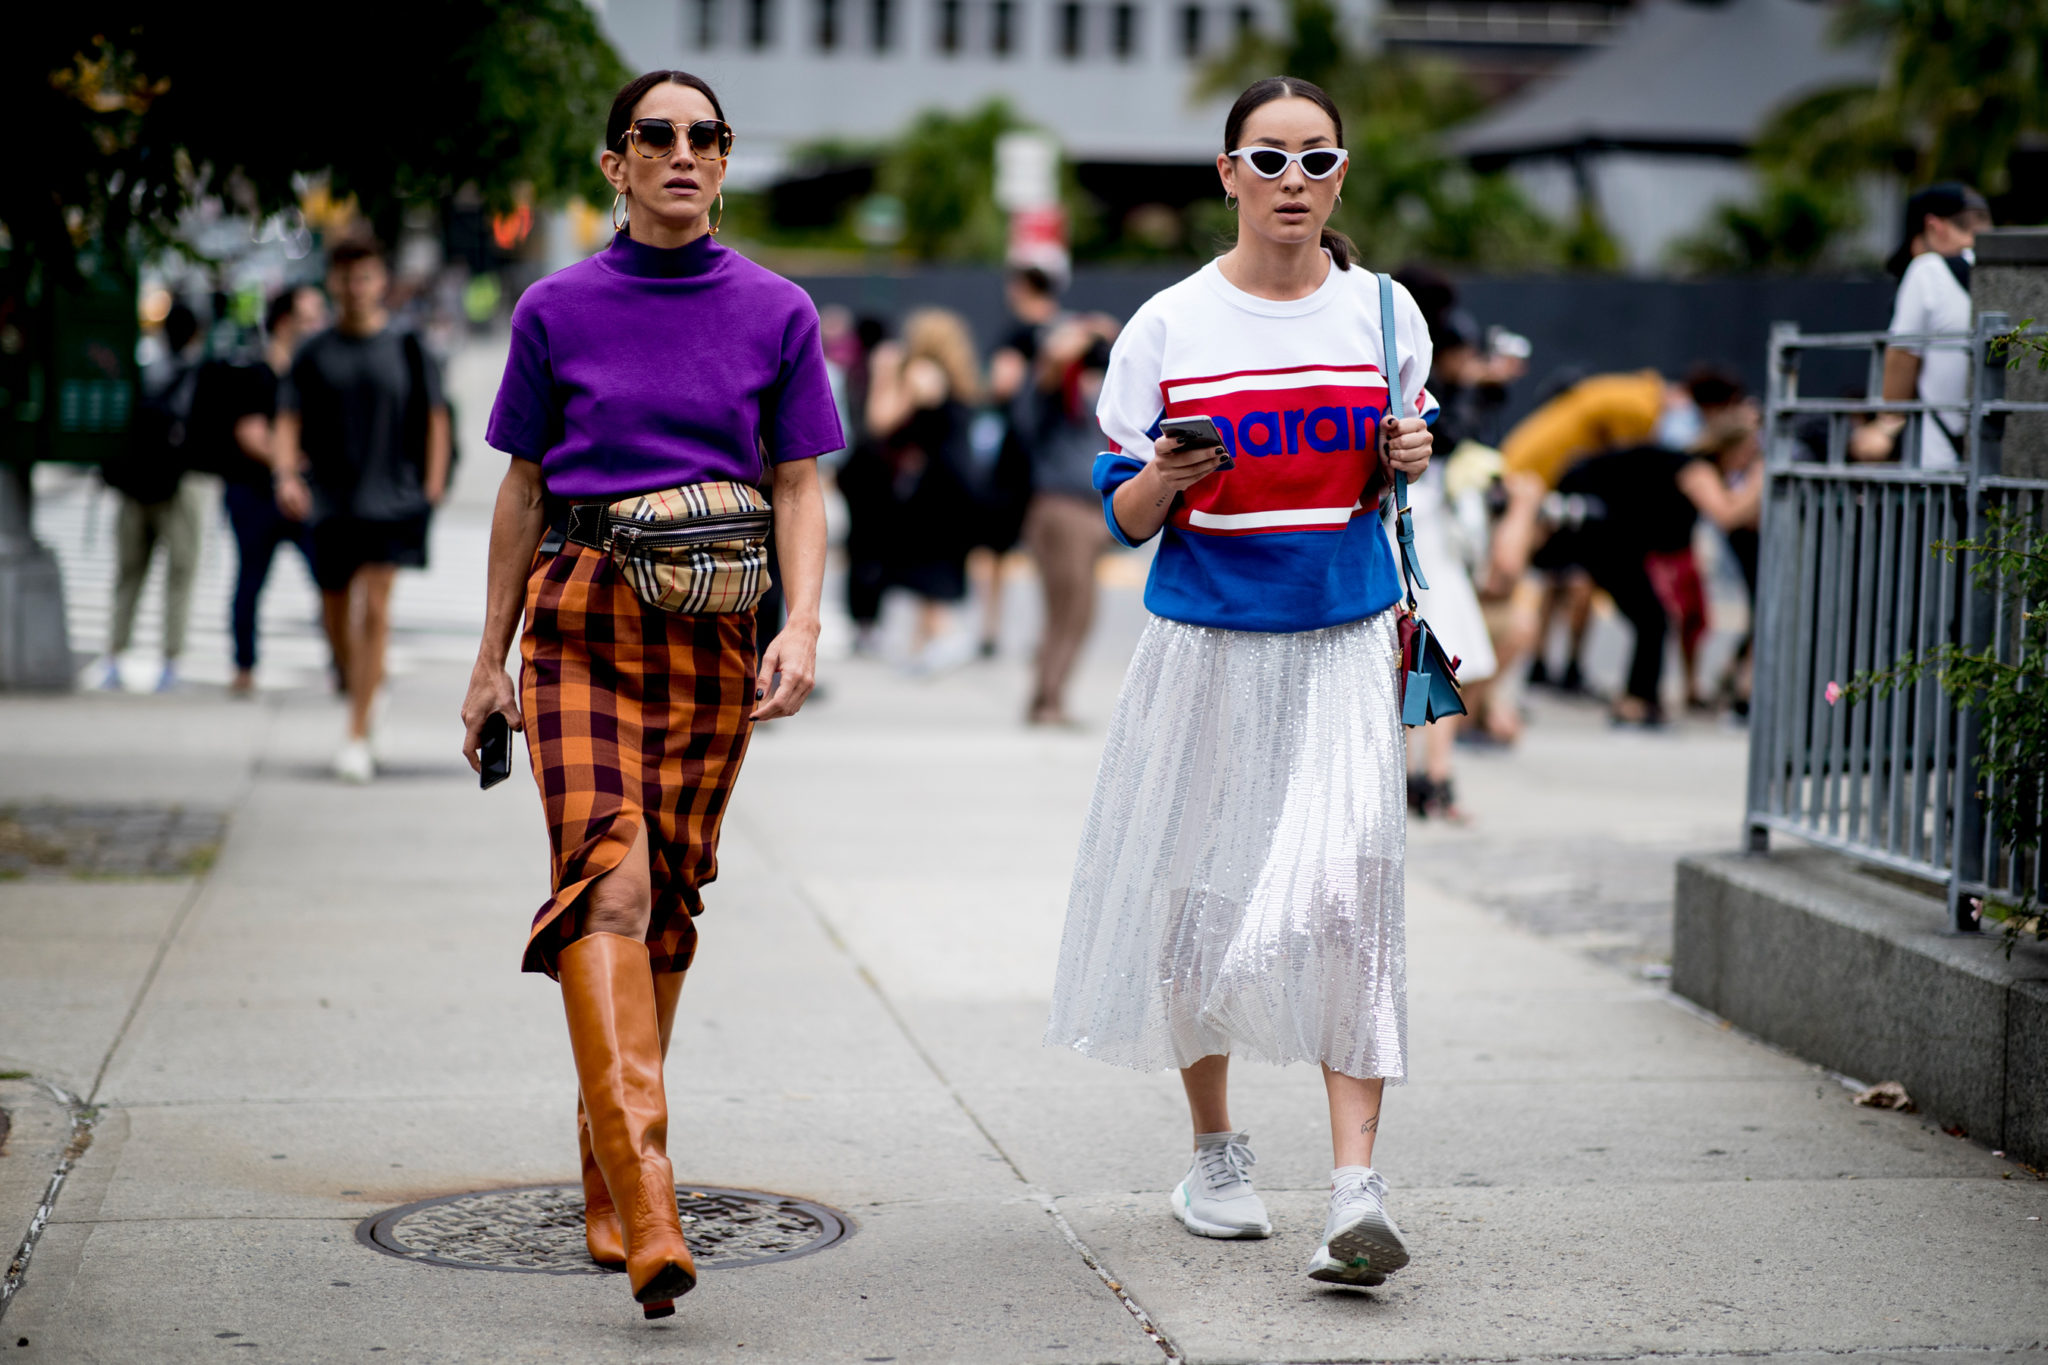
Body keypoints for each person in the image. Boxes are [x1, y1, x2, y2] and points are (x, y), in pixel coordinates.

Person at [458, 69, 838, 1321]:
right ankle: (652, 1203)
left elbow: (799, 485)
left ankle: (606, 1176)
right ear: (614, 166)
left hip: (714, 631)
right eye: (656, 136)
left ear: (723, 161)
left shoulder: (777, 310)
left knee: (665, 902)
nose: (683, 152)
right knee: (609, 883)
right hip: (578, 621)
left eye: (704, 136)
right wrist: (489, 657)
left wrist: (801, 624)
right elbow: (522, 487)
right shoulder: (555, 308)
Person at [1044, 76, 1436, 1288]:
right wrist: (1167, 476)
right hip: (1203, 641)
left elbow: (1397, 464)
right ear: (1226, 176)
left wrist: (1409, 450)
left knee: (1350, 894)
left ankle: (1354, 1192)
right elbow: (1122, 516)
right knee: (1196, 893)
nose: (1291, 181)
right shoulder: (1167, 326)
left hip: (1341, 639)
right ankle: (1213, 1154)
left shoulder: (1383, 313)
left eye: (1316, 159)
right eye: (1267, 159)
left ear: (1341, 175)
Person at [273, 240, 452, 782]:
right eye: (347, 278)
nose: (357, 288)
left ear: (381, 282)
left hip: (391, 499)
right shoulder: (313, 351)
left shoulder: (407, 345)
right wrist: (285, 476)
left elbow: (436, 415)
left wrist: (433, 486)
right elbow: (288, 418)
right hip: (331, 502)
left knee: (374, 609)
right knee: (334, 616)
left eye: (367, 277)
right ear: (333, 283)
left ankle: (356, 733)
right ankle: (365, 692)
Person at [1488, 366, 1745, 694]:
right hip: (1545, 487)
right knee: (1550, 582)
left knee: (1562, 582)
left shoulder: (1636, 397)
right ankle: (1562, 667)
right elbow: (1630, 477)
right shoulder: (1641, 410)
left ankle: (1553, 666)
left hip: (1561, 491)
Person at [1549, 410, 1762, 725]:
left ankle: (1638, 698)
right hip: (1605, 535)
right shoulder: (1697, 469)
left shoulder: (1691, 468)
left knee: (1651, 618)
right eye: (1747, 453)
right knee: (1651, 619)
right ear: (1728, 449)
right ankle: (1635, 701)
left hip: (1615, 539)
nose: (1747, 461)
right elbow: (1726, 515)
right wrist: (1759, 481)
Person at [862, 307, 985, 669]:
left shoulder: (923, 374)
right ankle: (923, 646)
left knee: (925, 567)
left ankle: (945, 636)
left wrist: (883, 376)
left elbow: (880, 421)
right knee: (935, 568)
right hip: (955, 483)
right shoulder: (958, 380)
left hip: (932, 489)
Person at [220, 285, 328, 694]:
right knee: (250, 581)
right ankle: (244, 666)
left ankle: (343, 661)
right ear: (284, 323)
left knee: (328, 579)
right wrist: (290, 464)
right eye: (310, 318)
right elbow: (251, 433)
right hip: (256, 495)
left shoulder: (316, 373)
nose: (319, 326)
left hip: (310, 495)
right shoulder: (255, 372)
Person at [101, 300, 208, 693]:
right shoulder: (197, 374)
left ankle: (115, 656)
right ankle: (170, 662)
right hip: (180, 485)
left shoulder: (144, 369)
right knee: (179, 574)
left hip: (135, 486)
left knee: (129, 574)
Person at [1019, 317, 1120, 724]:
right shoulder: (1051, 388)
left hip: (1085, 511)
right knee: (1069, 609)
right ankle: (1048, 701)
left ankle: (1048, 697)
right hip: (1062, 509)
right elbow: (1056, 358)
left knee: (1077, 611)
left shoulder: (1096, 389)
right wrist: (1081, 331)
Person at [1869, 183, 1992, 469]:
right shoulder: (2019, 274)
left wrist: (1882, 429)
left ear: (1934, 227)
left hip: (1942, 466)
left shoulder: (1927, 270)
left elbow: (1898, 380)